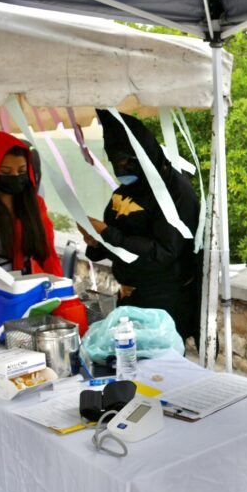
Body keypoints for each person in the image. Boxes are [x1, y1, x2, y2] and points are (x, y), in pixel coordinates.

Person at [79, 110, 201, 346]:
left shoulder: (176, 191)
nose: (121, 169)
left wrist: (107, 233)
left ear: (144, 153)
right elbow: (114, 243)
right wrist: (95, 241)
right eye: (115, 162)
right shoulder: (123, 193)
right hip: (128, 298)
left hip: (164, 303)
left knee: (162, 373)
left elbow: (165, 251)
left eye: (127, 161)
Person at [0, 131, 62, 344]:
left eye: (20, 171)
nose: (14, 177)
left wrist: (59, 296)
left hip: (24, 294)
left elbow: (48, 255)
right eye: (5, 171)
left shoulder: (34, 205)